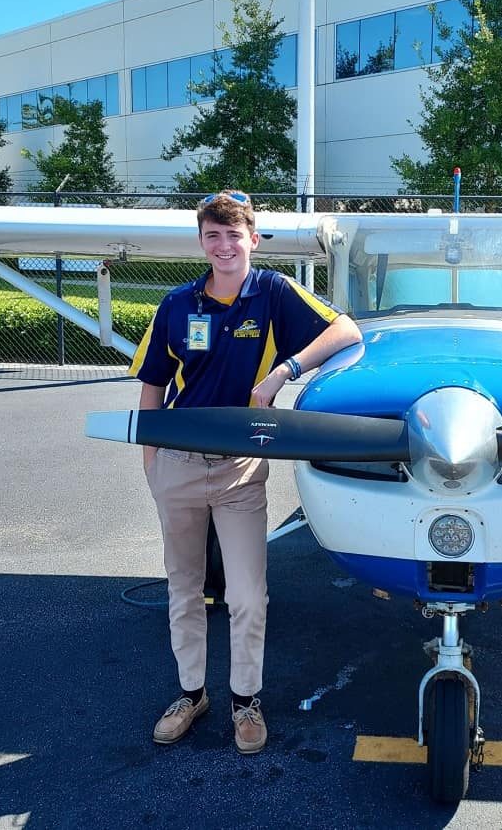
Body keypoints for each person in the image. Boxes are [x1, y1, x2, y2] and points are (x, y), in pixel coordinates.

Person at [129, 190, 362, 755]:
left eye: (235, 235)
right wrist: (152, 464)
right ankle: (191, 694)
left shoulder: (274, 292)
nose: (224, 244)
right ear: (201, 242)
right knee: (183, 588)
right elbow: (153, 387)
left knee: (248, 594)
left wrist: (285, 370)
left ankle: (245, 701)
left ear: (253, 240)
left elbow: (346, 331)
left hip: (239, 470)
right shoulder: (176, 304)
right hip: (177, 464)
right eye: (213, 235)